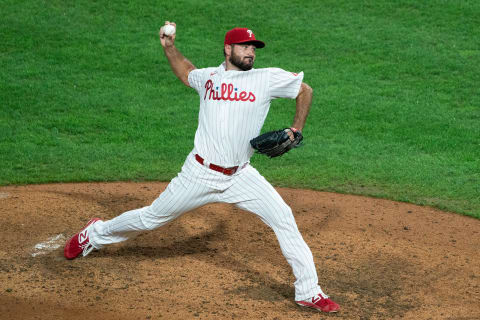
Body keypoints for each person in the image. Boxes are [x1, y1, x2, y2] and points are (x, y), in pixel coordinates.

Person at [64, 21, 340, 313]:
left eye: (253, 48)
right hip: (199, 174)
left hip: (240, 176)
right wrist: (169, 48)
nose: (251, 52)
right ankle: (94, 234)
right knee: (151, 219)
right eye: (245, 47)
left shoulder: (266, 78)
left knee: (283, 217)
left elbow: (304, 90)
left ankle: (309, 291)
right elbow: (186, 72)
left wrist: (296, 129)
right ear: (228, 49)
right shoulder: (209, 78)